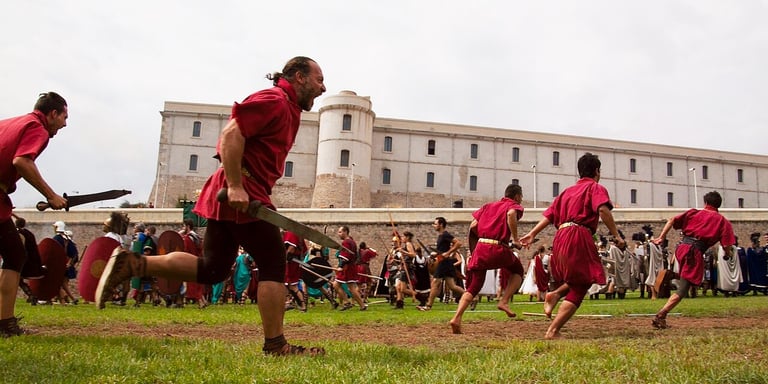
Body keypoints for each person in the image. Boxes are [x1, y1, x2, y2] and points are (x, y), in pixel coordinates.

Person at [96, 57, 326, 355]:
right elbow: (232, 134)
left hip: (238, 189)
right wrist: (235, 186)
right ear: (299, 77)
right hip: (241, 189)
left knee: (212, 268)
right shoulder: (275, 100)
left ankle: (133, 263)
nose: (323, 87)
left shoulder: (288, 108)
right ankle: (276, 345)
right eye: (319, 79)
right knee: (273, 263)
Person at [520, 153, 625, 340]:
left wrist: (533, 233)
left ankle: (555, 295)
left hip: (560, 236)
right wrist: (616, 235)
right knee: (583, 282)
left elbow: (550, 215)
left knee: (580, 277)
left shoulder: (566, 192)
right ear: (597, 171)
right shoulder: (595, 187)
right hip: (578, 234)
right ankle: (553, 330)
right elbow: (602, 209)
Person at [0, 92, 68, 337]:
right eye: (63, 117)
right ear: (52, 114)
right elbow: (21, 162)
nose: (65, 123)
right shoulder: (37, 128)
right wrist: (51, 196)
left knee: (14, 247)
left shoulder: (10, 123)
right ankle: (5, 325)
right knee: (15, 254)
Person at [651, 191, 735, 329]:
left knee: (691, 278)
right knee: (684, 289)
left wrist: (661, 237)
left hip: (682, 248)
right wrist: (728, 254)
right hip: (694, 251)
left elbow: (671, 220)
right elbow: (726, 245)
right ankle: (661, 315)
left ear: (706, 203)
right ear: (719, 205)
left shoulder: (694, 212)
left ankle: (673, 275)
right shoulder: (723, 221)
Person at [450, 184, 525, 334]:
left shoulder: (488, 206)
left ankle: (456, 318)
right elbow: (511, 215)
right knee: (518, 270)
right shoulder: (513, 206)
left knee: (474, 287)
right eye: (521, 197)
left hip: (481, 248)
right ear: (517, 196)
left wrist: (478, 245)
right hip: (497, 249)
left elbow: (473, 226)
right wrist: (515, 239)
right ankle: (504, 301)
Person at [420, 217, 465, 311]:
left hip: (444, 263)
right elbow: (442, 251)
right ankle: (471, 297)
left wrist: (448, 253)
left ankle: (428, 306)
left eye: (435, 224)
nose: (434, 226)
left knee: (435, 282)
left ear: (441, 225)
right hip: (443, 262)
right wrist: (435, 255)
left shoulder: (445, 234)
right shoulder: (440, 236)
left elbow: (458, 243)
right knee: (452, 286)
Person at [332, 226, 367, 311]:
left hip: (347, 268)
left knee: (346, 287)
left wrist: (340, 266)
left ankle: (354, 304)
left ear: (345, 232)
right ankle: (351, 303)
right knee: (341, 285)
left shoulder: (346, 242)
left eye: (340, 232)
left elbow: (345, 257)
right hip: (350, 267)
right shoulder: (352, 242)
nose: (338, 234)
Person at [52, 221, 79, 305]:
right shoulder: (67, 238)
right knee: (63, 283)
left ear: (57, 228)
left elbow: (52, 252)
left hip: (58, 264)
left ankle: (63, 300)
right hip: (65, 264)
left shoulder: (56, 238)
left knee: (56, 282)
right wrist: (69, 263)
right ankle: (72, 298)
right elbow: (73, 253)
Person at [283, 230, 307, 311]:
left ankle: (288, 303)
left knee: (287, 284)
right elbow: (304, 251)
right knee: (291, 285)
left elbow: (291, 248)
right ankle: (301, 305)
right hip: (295, 262)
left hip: (290, 262)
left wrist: (285, 259)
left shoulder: (291, 232)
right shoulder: (299, 234)